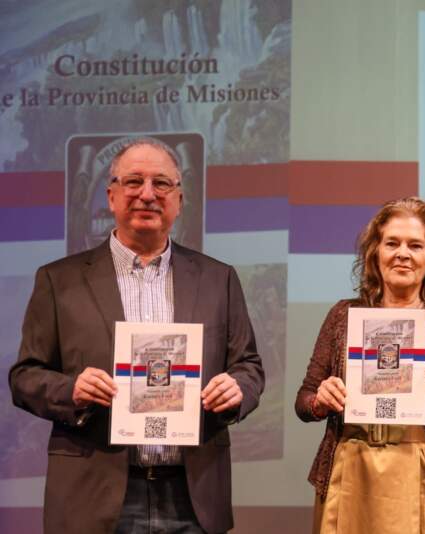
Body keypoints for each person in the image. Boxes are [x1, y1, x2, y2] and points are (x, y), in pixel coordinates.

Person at [9, 137, 265, 534]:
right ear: (111, 196)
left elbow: (248, 366)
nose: (147, 194)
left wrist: (237, 390)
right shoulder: (58, 280)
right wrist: (71, 389)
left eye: (161, 183)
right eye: (133, 182)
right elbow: (25, 376)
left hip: (192, 496)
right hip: (93, 495)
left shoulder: (219, 279)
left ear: (179, 200)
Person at [296, 197, 425, 534]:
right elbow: (304, 399)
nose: (403, 253)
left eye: (415, 245)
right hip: (350, 473)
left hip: (424, 476)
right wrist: (319, 401)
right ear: (375, 253)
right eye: (392, 243)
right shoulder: (343, 316)